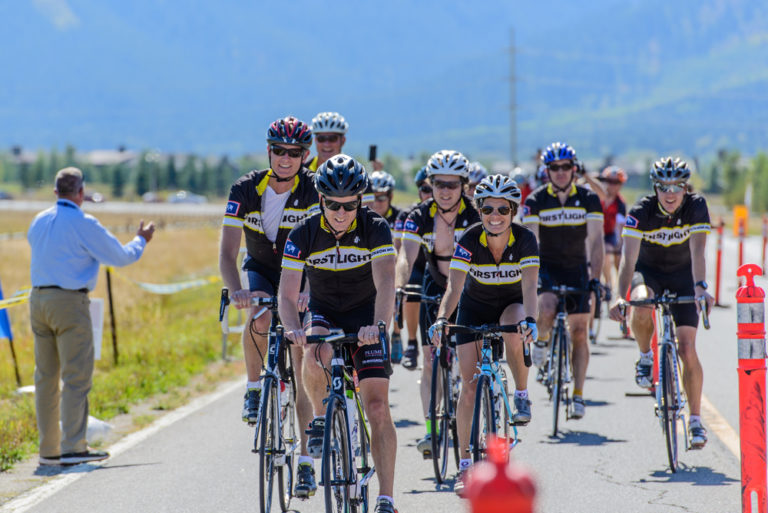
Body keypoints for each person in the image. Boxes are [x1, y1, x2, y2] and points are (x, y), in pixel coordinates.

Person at [278, 154, 399, 513]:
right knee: (314, 350)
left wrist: (379, 326)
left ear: (360, 200)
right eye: (333, 205)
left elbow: (387, 282)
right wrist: (292, 328)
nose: (341, 213)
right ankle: (321, 419)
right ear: (321, 200)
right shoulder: (303, 233)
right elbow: (287, 295)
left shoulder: (375, 227)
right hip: (325, 313)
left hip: (366, 317)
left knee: (377, 407)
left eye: (349, 205)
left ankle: (386, 497)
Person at [218, 116, 320, 496]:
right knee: (259, 317)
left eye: (294, 152)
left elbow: (322, 246)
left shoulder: (314, 189)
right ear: (268, 151)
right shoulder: (245, 188)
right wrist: (236, 291)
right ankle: (253, 387)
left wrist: (308, 289)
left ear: (305, 156)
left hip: (302, 273)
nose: (286, 158)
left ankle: (306, 462)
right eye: (279, 150)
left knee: (302, 357)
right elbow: (228, 253)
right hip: (261, 268)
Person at [28, 167, 155, 466]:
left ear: (56, 192)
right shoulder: (84, 223)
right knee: (75, 377)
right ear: (81, 193)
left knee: (45, 378)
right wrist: (141, 240)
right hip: (69, 303)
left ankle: (49, 450)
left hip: (37, 300)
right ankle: (73, 446)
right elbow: (120, 256)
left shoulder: (39, 220)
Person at [428, 174, 538, 495]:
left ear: (513, 211)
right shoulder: (469, 239)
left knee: (515, 324)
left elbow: (530, 285)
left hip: (511, 305)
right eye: (488, 209)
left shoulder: (525, 240)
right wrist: (441, 319)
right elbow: (454, 287)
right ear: (479, 210)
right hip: (474, 308)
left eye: (503, 209)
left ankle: (521, 394)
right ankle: (465, 465)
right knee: (469, 388)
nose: (495, 216)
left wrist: (531, 320)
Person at [609, 157, 713, 448]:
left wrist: (701, 288)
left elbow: (698, 251)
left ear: (685, 188)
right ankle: (646, 357)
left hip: (684, 276)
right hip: (649, 273)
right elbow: (628, 260)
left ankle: (695, 420)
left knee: (687, 348)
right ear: (655, 188)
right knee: (641, 302)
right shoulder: (640, 211)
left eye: (676, 186)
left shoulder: (696, 206)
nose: (670, 193)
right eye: (664, 187)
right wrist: (619, 295)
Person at [395, 150, 480, 457]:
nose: (445, 191)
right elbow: (405, 257)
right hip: (435, 286)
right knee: (431, 360)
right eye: (439, 184)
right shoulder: (419, 216)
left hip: (471, 287)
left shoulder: (475, 215)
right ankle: (431, 430)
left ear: (464, 186)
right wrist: (399, 287)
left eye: (452, 184)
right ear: (430, 184)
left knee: (471, 364)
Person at [523, 142, 604, 419]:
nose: (560, 172)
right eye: (554, 167)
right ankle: (542, 340)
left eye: (565, 167)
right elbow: (531, 242)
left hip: (577, 268)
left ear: (574, 169)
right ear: (546, 171)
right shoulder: (535, 200)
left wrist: (595, 279)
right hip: (547, 267)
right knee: (546, 308)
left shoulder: (588, 198)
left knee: (580, 331)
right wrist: (530, 279)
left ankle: (578, 394)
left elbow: (596, 241)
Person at [392, 166, 432, 366]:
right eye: (425, 189)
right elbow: (399, 250)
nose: (429, 194)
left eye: (432, 188)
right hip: (416, 266)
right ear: (418, 191)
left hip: (442, 268)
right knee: (411, 289)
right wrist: (399, 282)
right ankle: (412, 343)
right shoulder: (408, 214)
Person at [370, 170, 405, 361]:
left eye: (382, 197)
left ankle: (396, 333)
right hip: (369, 267)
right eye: (373, 196)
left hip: (392, 264)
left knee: (397, 293)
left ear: (390, 197)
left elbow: (400, 250)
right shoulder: (363, 217)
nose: (377, 202)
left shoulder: (399, 217)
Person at [594, 166, 628, 292]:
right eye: (609, 181)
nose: (613, 185)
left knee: (619, 258)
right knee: (606, 253)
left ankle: (622, 288)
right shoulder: (597, 197)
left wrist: (620, 243)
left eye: (616, 182)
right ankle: (608, 283)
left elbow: (620, 224)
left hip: (610, 233)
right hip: (596, 233)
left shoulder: (620, 202)